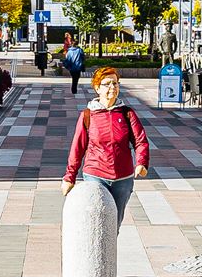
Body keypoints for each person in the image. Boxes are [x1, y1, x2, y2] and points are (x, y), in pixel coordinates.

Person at [63, 66, 150, 220]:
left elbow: (140, 140)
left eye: (115, 83)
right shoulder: (88, 115)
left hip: (123, 178)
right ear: (97, 88)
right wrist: (70, 177)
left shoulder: (127, 113)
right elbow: (77, 148)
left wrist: (141, 162)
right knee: (98, 220)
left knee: (114, 222)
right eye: (107, 84)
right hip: (95, 175)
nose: (112, 87)